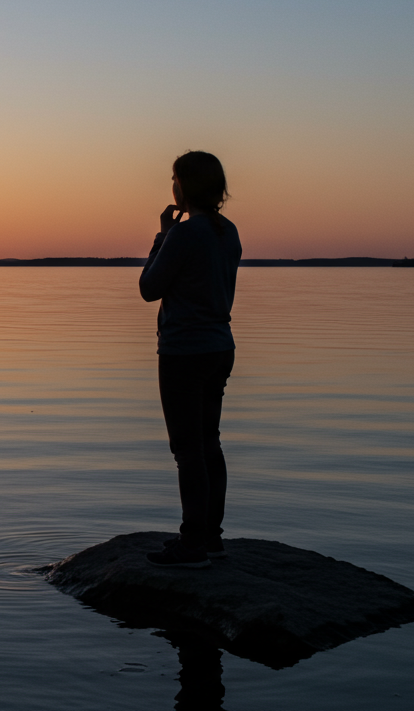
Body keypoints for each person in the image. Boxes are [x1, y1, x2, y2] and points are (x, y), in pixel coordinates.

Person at [139, 151, 242, 568]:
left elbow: (149, 287)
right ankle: (211, 537)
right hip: (220, 346)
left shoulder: (185, 234)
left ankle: (192, 544)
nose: (171, 185)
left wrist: (162, 236)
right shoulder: (228, 231)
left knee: (188, 449)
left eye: (174, 179)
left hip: (185, 351)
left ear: (186, 186)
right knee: (208, 441)